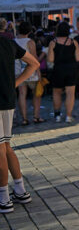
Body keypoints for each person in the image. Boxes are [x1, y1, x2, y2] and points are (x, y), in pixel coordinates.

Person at [0, 37, 38, 213]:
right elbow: (34, 63)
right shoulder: (7, 42)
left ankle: (4, 197)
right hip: (8, 100)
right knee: (6, 146)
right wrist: (13, 83)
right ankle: (20, 189)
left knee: (1, 148)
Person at [48, 22, 79, 123]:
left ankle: (57, 115)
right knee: (70, 93)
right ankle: (68, 116)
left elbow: (50, 59)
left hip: (58, 69)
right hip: (71, 69)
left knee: (57, 92)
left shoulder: (53, 42)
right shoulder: (73, 42)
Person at [14, 21, 42, 125]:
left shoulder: (14, 41)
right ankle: (36, 116)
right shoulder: (30, 42)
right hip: (30, 71)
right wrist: (38, 72)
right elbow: (34, 57)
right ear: (30, 31)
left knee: (22, 94)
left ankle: (24, 118)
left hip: (18, 71)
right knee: (36, 94)